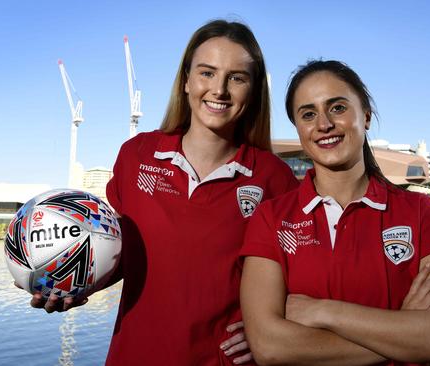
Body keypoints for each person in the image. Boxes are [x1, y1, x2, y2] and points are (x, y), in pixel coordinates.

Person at [30, 20, 299, 365]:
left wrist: (269, 327)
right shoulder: (137, 155)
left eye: (236, 77)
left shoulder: (273, 177)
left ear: (254, 90)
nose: (219, 89)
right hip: (135, 355)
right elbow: (118, 256)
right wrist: (75, 284)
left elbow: (303, 276)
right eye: (206, 73)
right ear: (186, 81)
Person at [240, 60, 430, 365]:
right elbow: (269, 346)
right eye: (308, 114)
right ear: (298, 129)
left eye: (337, 108)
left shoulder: (418, 212)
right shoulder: (271, 219)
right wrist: (404, 328)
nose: (323, 124)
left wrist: (324, 311)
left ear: (365, 116)